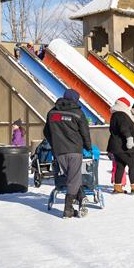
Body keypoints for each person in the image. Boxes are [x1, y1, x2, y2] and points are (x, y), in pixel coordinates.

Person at [43, 88, 92, 218]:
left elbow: (46, 132)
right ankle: (68, 209)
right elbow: (85, 133)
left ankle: (81, 196)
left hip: (59, 151)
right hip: (75, 150)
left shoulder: (52, 113)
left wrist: (54, 143)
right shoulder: (78, 113)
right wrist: (88, 147)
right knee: (74, 178)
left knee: (71, 177)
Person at [108, 97, 134, 195]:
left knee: (120, 166)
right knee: (133, 164)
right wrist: (129, 138)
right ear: (124, 105)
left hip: (116, 147)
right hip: (125, 147)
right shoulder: (122, 114)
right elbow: (123, 127)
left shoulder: (115, 114)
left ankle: (117, 186)